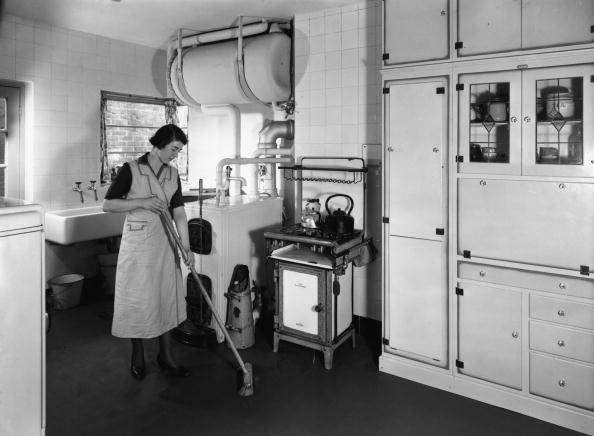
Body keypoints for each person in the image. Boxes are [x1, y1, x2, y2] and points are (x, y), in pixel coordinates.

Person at [103, 124, 194, 380]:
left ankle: (166, 355)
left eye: (179, 150)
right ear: (159, 144)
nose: (175, 154)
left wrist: (186, 247)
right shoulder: (132, 169)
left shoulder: (173, 174)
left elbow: (179, 212)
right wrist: (141, 202)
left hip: (165, 245)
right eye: (174, 149)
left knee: (165, 297)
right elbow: (108, 204)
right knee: (138, 299)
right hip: (139, 247)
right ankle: (138, 354)